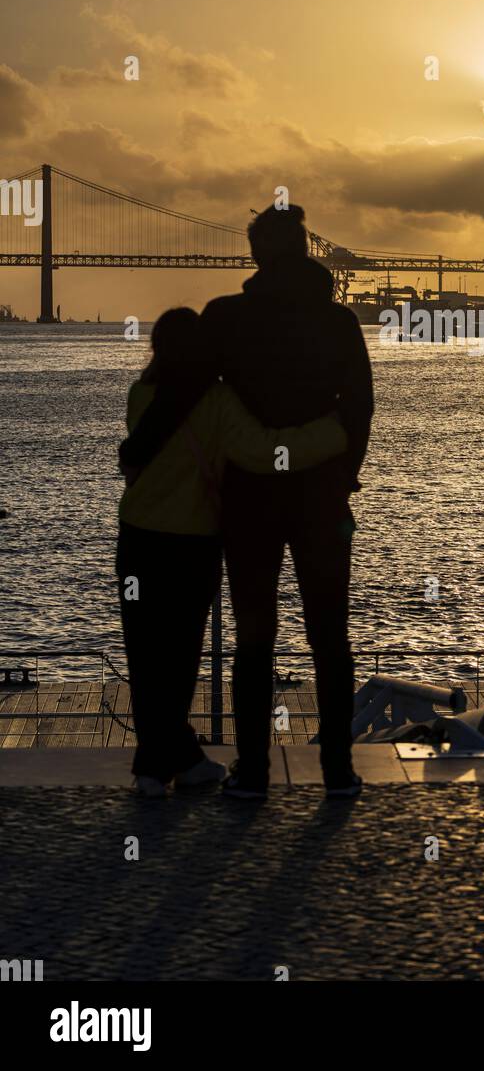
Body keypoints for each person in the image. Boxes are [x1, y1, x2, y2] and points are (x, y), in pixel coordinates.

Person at [119, 204, 374, 800]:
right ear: (308, 249)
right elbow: (359, 407)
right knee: (330, 637)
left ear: (255, 254)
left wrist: (138, 450)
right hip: (321, 504)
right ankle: (338, 772)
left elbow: (183, 389)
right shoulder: (340, 323)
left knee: (254, 637)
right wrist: (343, 476)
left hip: (248, 506)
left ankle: (253, 773)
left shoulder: (225, 319)